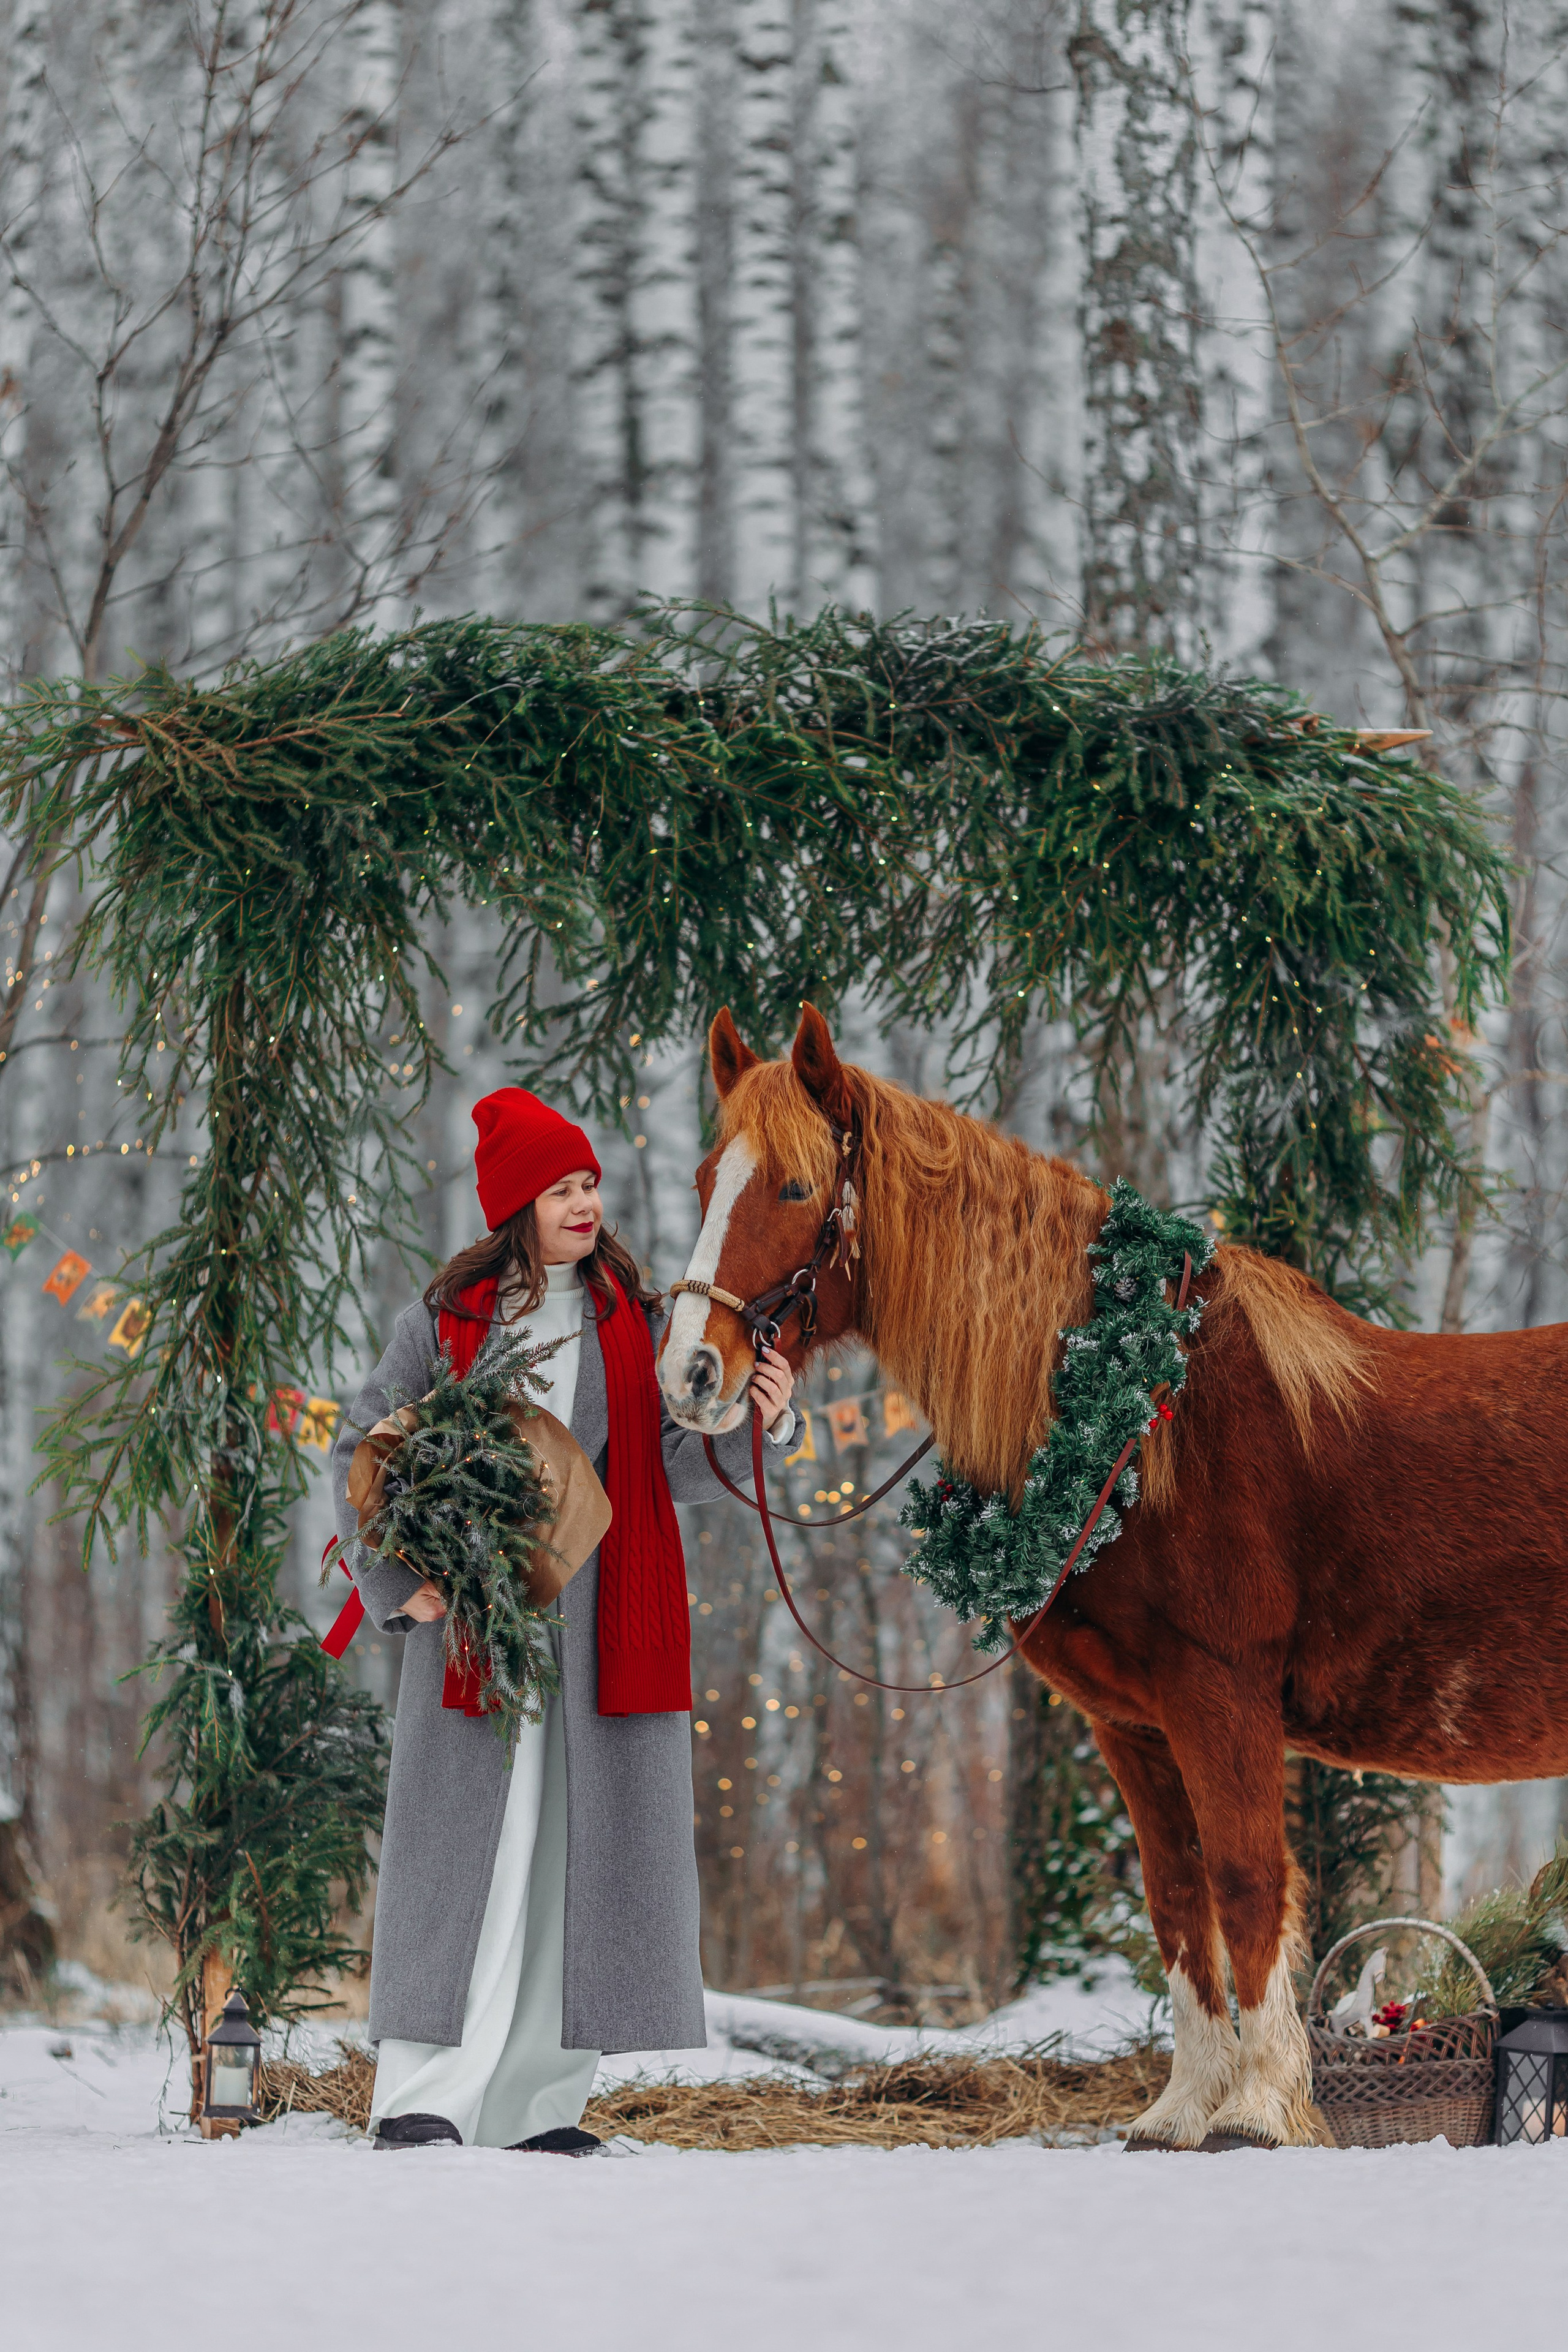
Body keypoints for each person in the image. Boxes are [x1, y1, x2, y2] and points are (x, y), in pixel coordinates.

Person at [331, 1086, 795, 2154]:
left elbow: (667, 1468)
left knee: (568, 1857)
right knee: (467, 1856)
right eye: (561, 1188)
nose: (585, 1203)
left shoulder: (629, 1321)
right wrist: (402, 1582)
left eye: (590, 1183)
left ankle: (539, 2108)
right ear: (515, 1205)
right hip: (477, 1638)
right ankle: (424, 2098)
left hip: (599, 1638)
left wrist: (750, 1426)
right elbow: (365, 1444)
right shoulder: (443, 1324)